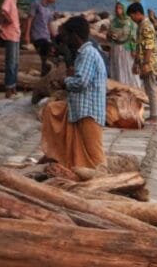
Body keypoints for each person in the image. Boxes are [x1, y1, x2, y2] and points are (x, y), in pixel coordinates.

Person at [40, 16, 107, 169]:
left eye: (66, 36)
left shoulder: (88, 54)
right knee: (52, 109)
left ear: (75, 36)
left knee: (95, 156)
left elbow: (81, 82)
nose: (65, 40)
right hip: (80, 110)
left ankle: (103, 181)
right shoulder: (84, 54)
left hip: (89, 111)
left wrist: (65, 81)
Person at [127, 2, 157, 122]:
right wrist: (136, 63)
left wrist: (145, 64)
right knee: (147, 88)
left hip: (149, 63)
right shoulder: (140, 26)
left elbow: (149, 47)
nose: (132, 19)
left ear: (138, 13)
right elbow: (139, 46)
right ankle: (152, 112)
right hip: (144, 61)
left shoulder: (146, 26)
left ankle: (154, 114)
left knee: (151, 88)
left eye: (132, 16)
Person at [25, 0, 59, 77]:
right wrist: (27, 35)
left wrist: (55, 36)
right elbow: (30, 19)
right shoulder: (36, 4)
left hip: (46, 37)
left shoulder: (50, 9)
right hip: (37, 36)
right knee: (44, 54)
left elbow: (49, 24)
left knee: (53, 52)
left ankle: (46, 75)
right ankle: (42, 76)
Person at [107, 2, 141, 88]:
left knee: (128, 67)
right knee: (117, 67)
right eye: (117, 8)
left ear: (124, 9)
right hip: (116, 48)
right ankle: (118, 86)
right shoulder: (113, 21)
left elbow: (134, 36)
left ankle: (132, 87)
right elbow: (108, 35)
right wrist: (110, 36)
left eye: (120, 8)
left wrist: (133, 49)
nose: (118, 10)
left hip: (126, 48)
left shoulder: (130, 22)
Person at [0, 0, 24, 99]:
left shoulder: (14, 0)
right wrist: (8, 20)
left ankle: (13, 86)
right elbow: (3, 11)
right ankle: (8, 88)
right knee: (10, 62)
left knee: (15, 62)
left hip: (15, 34)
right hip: (10, 35)